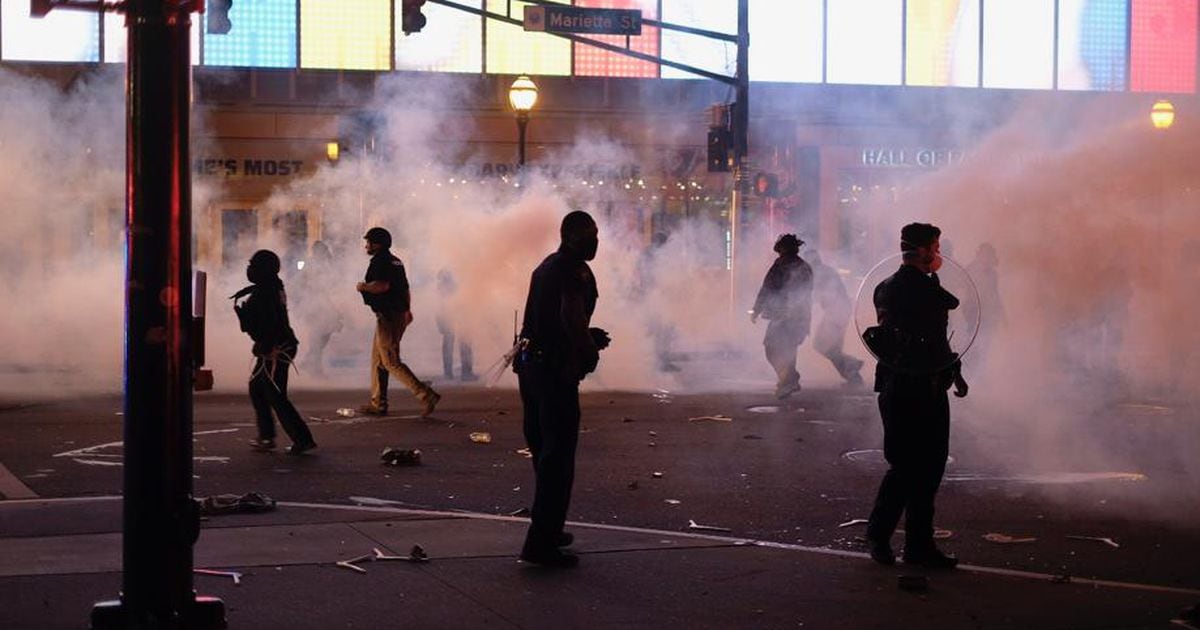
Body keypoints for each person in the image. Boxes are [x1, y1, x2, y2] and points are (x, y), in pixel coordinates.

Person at [864, 222, 968, 569]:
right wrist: (934, 275)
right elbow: (949, 302)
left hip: (925, 383)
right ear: (921, 250)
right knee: (910, 467)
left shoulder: (887, 285)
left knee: (926, 468)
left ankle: (917, 545)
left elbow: (937, 338)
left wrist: (954, 371)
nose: (939, 254)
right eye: (935, 248)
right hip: (909, 385)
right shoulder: (912, 286)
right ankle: (881, 537)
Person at [514, 210, 610, 568]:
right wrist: (588, 348)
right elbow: (570, 317)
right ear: (569, 235)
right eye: (589, 234)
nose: (595, 241)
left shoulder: (546, 266)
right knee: (557, 458)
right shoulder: (573, 270)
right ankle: (540, 546)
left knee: (544, 452)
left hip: (532, 369)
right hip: (553, 372)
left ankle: (549, 530)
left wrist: (586, 337)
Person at [232, 250, 317, 455]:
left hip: (276, 349)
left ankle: (302, 439)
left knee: (275, 395)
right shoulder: (271, 286)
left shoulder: (265, 292)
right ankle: (267, 436)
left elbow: (269, 323)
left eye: (254, 265)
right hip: (276, 346)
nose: (249, 269)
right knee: (257, 389)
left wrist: (264, 344)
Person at [355, 227, 440, 417]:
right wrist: (407, 310)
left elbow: (382, 286)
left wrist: (363, 287)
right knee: (378, 361)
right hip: (396, 314)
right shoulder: (396, 261)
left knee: (390, 361)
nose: (366, 245)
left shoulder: (381, 261)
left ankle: (426, 395)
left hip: (388, 315)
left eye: (369, 242)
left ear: (378, 244)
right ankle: (378, 403)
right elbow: (405, 288)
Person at [750, 234, 814, 399]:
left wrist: (756, 310)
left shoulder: (781, 264)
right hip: (801, 318)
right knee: (789, 350)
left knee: (771, 349)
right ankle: (788, 381)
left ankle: (788, 380)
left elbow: (767, 288)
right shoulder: (805, 266)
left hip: (784, 317)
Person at [808, 249, 864, 386]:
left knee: (823, 345)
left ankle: (852, 367)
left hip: (836, 312)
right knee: (830, 347)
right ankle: (853, 376)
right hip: (837, 311)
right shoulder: (824, 271)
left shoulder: (819, 273)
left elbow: (823, 294)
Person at [298, 240, 344, 377]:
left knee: (324, 335)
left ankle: (309, 361)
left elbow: (330, 284)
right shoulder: (309, 265)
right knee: (317, 337)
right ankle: (315, 368)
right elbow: (304, 284)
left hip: (321, 304)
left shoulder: (325, 265)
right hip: (313, 305)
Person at [435, 269, 477, 382]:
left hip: (452, 316)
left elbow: (439, 305)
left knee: (452, 343)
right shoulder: (449, 285)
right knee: (463, 341)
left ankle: (450, 372)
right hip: (455, 316)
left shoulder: (442, 286)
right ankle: (465, 372)